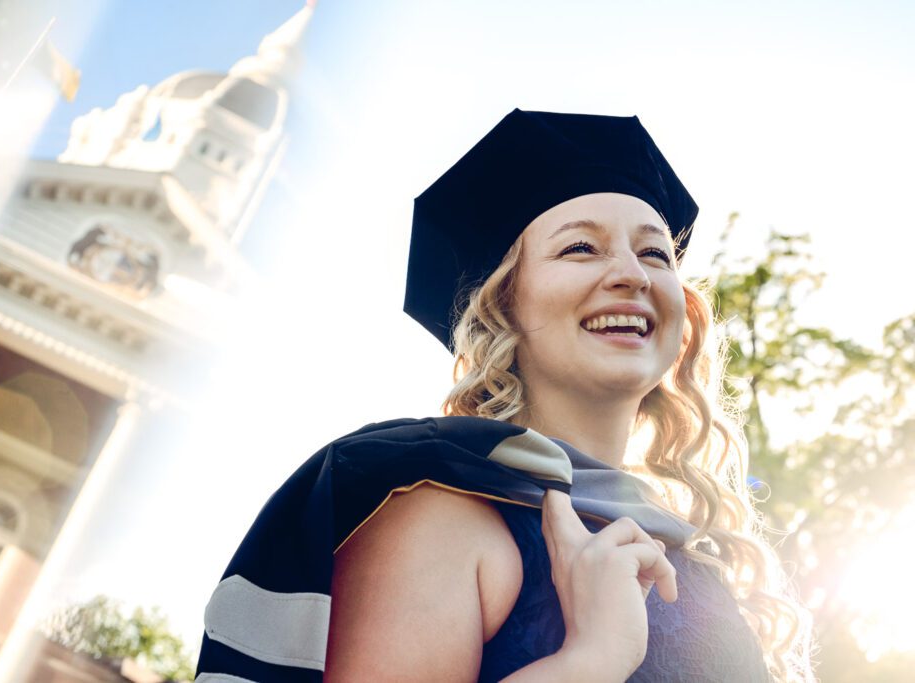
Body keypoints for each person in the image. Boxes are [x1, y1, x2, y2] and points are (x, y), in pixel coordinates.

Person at [194, 110, 814, 682]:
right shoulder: (444, 517)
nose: (633, 273)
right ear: (500, 307)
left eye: (655, 252)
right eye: (580, 247)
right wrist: (590, 660)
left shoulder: (695, 565)